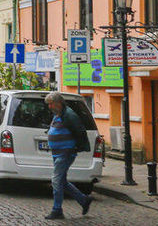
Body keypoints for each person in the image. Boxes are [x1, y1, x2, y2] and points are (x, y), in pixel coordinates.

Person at [43, 92, 92, 220]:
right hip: (58, 153)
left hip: (65, 153)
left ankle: (57, 210)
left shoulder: (69, 115)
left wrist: (78, 147)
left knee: (56, 180)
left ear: (58, 103)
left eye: (51, 104)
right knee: (62, 181)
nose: (49, 107)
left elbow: (80, 131)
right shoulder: (59, 113)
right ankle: (83, 200)